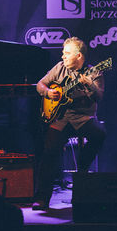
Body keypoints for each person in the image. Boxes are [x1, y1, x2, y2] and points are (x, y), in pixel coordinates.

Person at [33, 37, 106, 210]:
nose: (63, 56)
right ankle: (42, 197)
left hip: (84, 118)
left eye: (67, 53)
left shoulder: (95, 72)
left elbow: (99, 96)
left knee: (100, 134)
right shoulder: (59, 68)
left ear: (79, 56)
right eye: (63, 53)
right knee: (49, 151)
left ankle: (82, 169)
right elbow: (40, 84)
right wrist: (48, 92)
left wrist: (91, 86)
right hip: (62, 119)